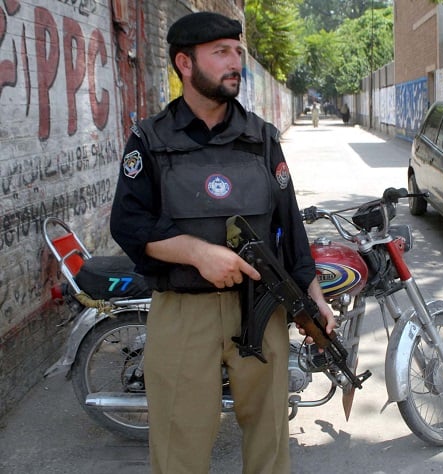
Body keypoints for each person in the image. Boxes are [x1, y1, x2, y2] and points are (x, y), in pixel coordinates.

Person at [109, 11, 335, 474]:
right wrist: (196, 252)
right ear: (185, 64)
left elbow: (289, 225)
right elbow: (128, 222)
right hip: (183, 309)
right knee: (178, 445)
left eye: (237, 52)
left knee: (270, 442)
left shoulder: (262, 139)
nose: (235, 62)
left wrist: (312, 295)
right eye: (221, 52)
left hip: (262, 306)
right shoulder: (150, 139)